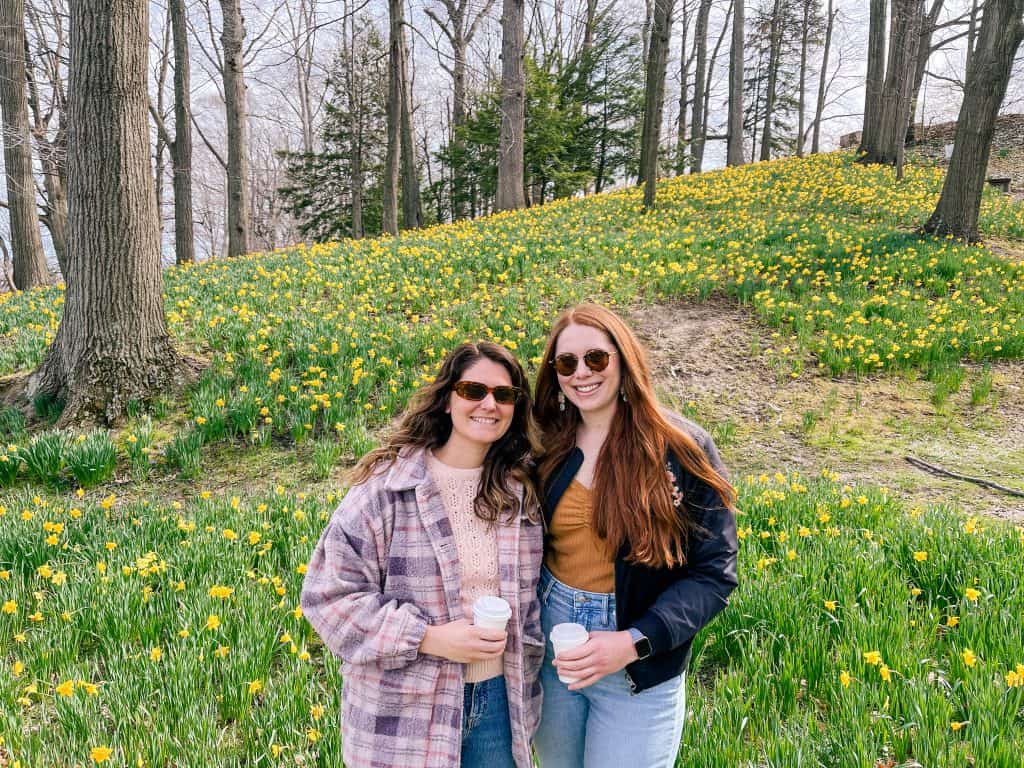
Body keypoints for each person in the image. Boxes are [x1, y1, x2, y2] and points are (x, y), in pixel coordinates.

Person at [300, 341, 545, 768]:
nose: (489, 404)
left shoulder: (520, 493)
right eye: (473, 390)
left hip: (501, 707)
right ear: (448, 399)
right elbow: (328, 598)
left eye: (504, 395)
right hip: (405, 711)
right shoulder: (387, 488)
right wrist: (430, 638)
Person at [531, 304, 738, 768]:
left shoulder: (680, 448)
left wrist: (634, 641)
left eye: (596, 359)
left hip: (637, 663)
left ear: (623, 359)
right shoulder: (546, 443)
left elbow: (714, 575)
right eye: (566, 363)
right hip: (554, 644)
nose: (581, 373)